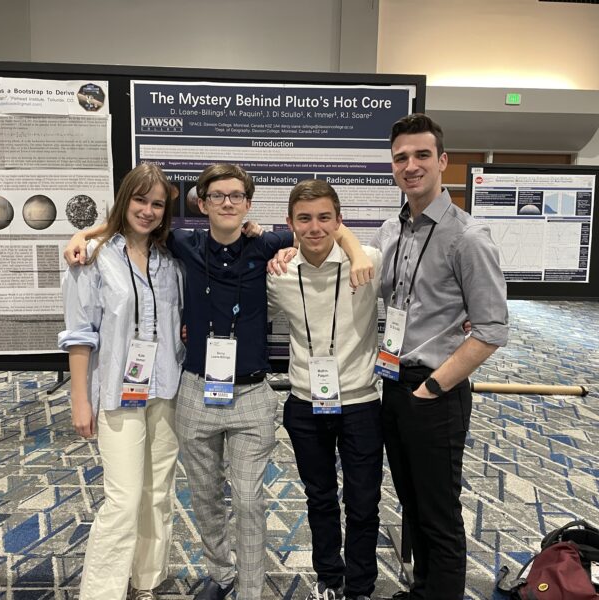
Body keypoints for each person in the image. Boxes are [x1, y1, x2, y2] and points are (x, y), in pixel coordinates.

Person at [64, 163, 372, 600]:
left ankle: (248, 589)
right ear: (202, 203)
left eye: (236, 196)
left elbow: (323, 225)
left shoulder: (268, 242)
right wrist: (85, 235)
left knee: (248, 500)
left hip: (250, 394)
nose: (227, 203)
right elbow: (130, 223)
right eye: (217, 196)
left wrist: (357, 252)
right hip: (192, 390)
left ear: (248, 204)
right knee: (204, 499)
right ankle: (221, 573)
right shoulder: (182, 244)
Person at [372, 114, 509, 600]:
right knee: (411, 502)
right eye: (401, 157)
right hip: (391, 382)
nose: (411, 166)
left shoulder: (468, 237)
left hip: (435, 391)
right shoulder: (392, 230)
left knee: (438, 512)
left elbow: (492, 328)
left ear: (443, 162)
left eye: (421, 155)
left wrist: (433, 388)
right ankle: (424, 588)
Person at [58, 163, 185, 600]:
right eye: (139, 200)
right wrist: (80, 401)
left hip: (166, 392)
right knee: (124, 500)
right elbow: (79, 336)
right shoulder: (91, 257)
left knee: (157, 495)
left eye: (156, 204)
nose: (147, 211)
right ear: (124, 199)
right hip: (116, 393)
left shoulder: (170, 261)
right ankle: (103, 592)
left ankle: (146, 582)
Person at [267, 180, 383, 600]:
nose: (314, 227)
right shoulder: (279, 273)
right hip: (304, 402)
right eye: (304, 219)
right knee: (319, 499)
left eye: (323, 217)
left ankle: (361, 587)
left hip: (361, 404)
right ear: (291, 223)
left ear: (338, 220)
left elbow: (419, 295)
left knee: (363, 502)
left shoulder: (367, 261)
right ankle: (330, 580)